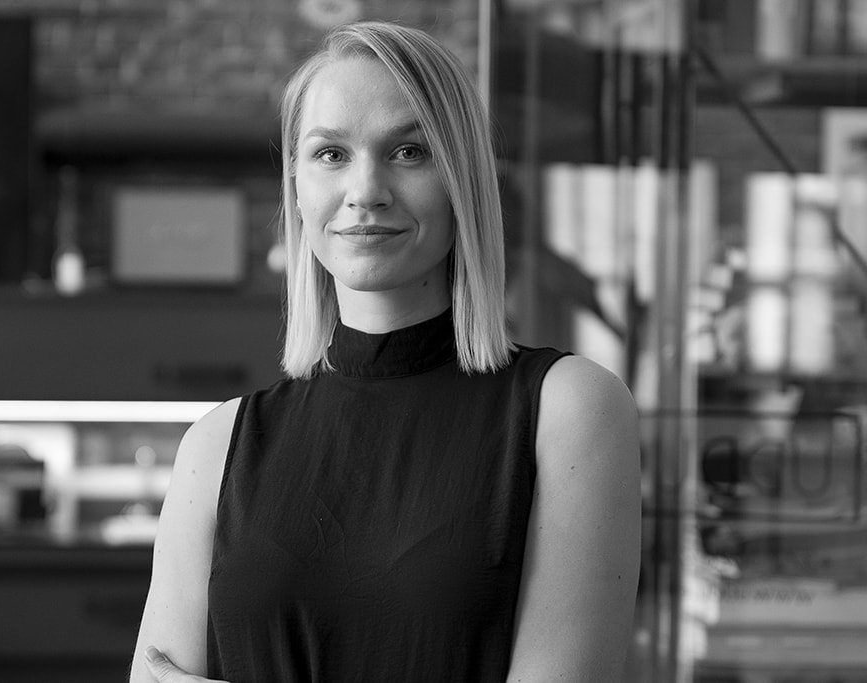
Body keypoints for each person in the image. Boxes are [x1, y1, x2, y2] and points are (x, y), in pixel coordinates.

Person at [130, 20, 641, 683]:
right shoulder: (216, 444)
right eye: (330, 153)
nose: (365, 190)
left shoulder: (569, 411)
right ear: (297, 187)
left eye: (409, 151)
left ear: (462, 179)